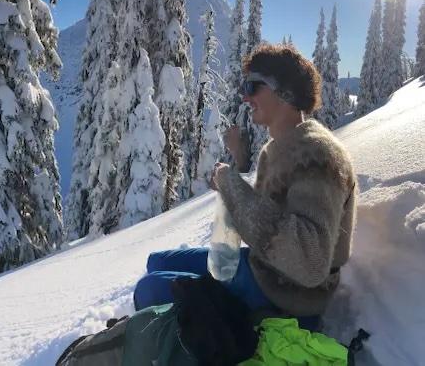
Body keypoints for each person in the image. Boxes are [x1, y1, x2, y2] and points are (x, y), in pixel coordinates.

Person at [132, 43, 358, 326]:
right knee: (158, 262)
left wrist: (233, 187)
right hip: (264, 267)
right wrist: (236, 171)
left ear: (285, 92)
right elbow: (260, 222)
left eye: (253, 86)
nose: (244, 95)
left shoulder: (317, 154)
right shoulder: (277, 149)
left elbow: (309, 261)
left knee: (149, 288)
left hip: (288, 295)